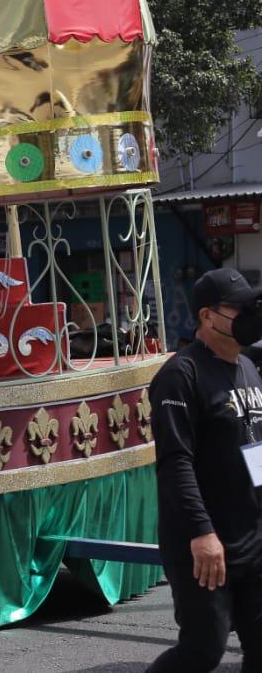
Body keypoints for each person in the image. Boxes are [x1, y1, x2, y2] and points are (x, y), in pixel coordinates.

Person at [149, 267, 262, 671]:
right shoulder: (180, 376)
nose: (251, 316)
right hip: (204, 545)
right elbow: (175, 462)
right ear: (207, 316)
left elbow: (255, 449)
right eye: (239, 308)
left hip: (251, 536)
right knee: (202, 651)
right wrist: (201, 532)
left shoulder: (247, 367)